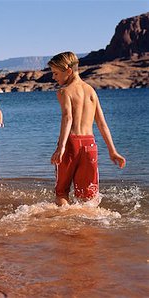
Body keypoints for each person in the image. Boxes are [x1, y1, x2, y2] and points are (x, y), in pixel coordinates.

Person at [48, 52, 126, 206]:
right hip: (90, 146)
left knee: (62, 191)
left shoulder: (64, 91)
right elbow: (102, 123)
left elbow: (67, 117)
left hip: (71, 144)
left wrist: (61, 147)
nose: (53, 77)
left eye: (56, 73)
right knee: (88, 196)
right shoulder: (91, 91)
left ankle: (64, 226)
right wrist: (113, 150)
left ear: (68, 71)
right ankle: (88, 227)